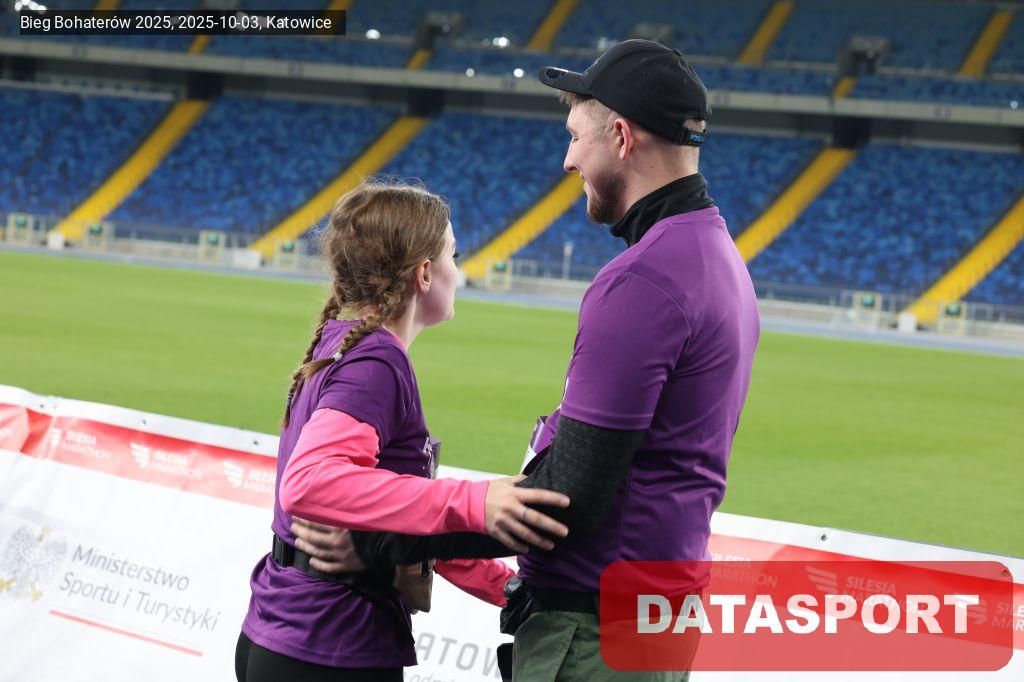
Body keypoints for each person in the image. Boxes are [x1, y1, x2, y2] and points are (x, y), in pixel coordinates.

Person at [294, 39, 761, 681]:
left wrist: (377, 542)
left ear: (621, 137)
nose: (568, 160)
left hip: (591, 632)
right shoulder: (717, 257)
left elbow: (568, 497)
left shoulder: (645, 279)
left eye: (575, 138)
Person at [235, 181, 573, 682]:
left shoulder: (344, 345)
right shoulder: (376, 361)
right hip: (330, 646)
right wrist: (474, 500)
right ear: (424, 273)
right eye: (454, 255)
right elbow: (310, 482)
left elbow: (399, 512)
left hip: (287, 632)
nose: (459, 271)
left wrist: (502, 586)